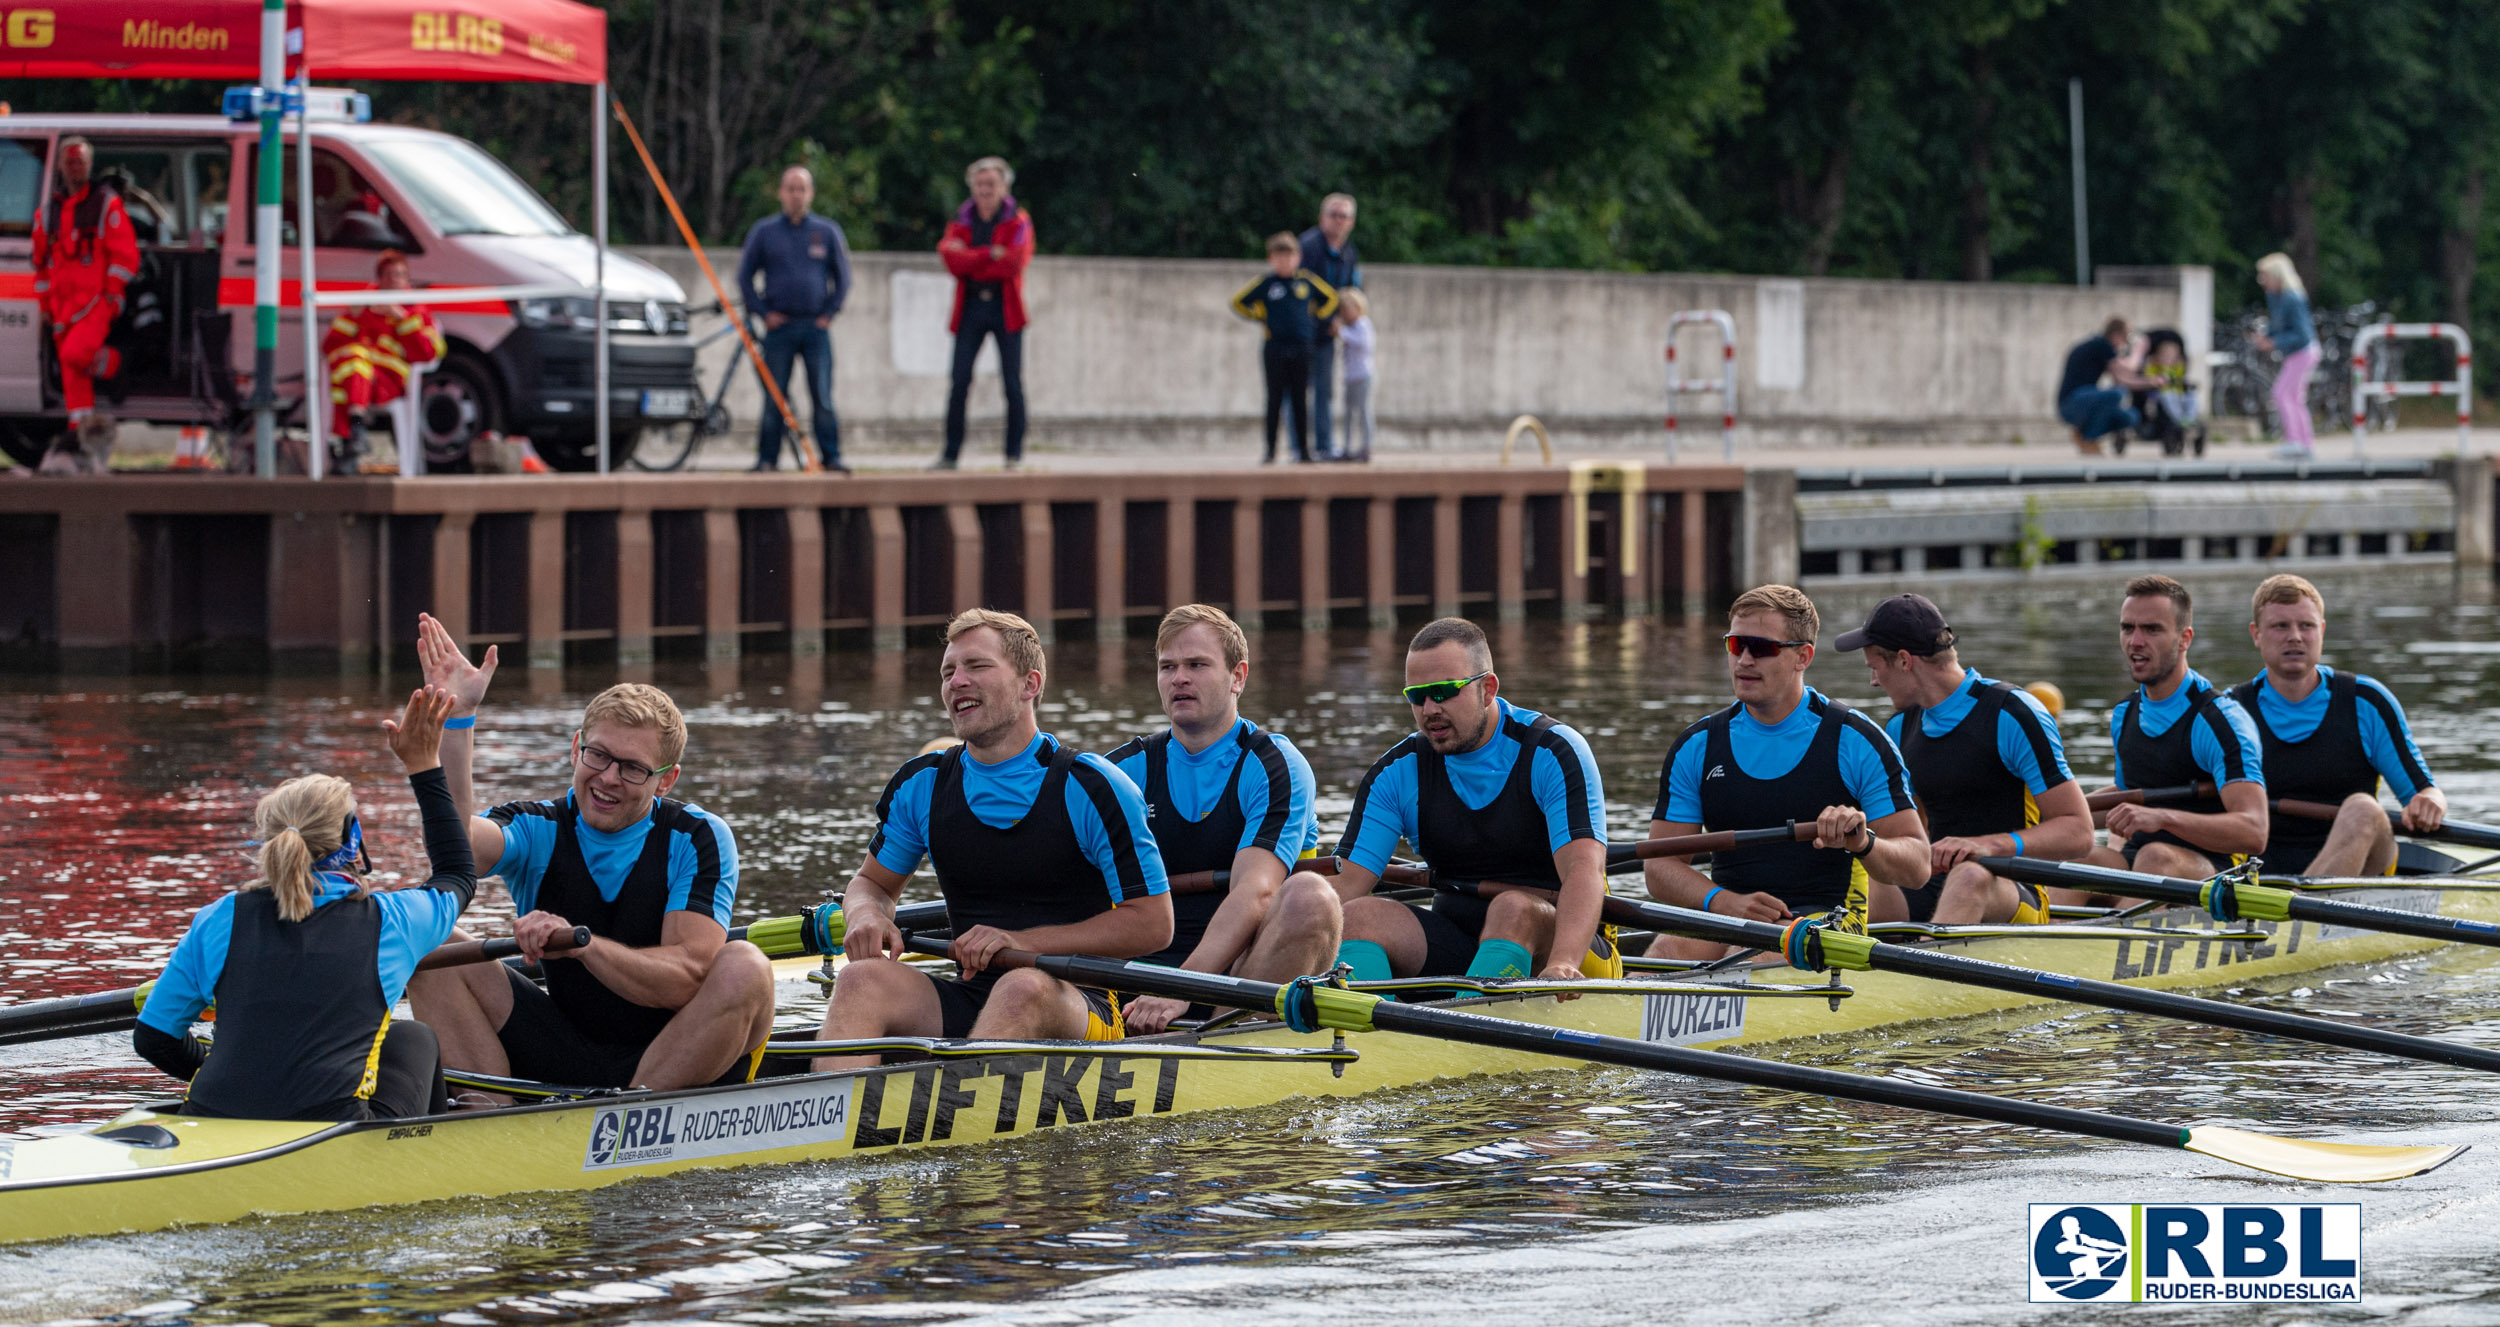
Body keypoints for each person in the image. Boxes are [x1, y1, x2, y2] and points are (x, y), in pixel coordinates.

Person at [406, 616, 775, 1101]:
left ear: (666, 780)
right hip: (566, 1050)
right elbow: (456, 849)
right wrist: (458, 722)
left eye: (632, 768)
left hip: (675, 1065)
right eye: (598, 756)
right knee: (429, 940)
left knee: (746, 966)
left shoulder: (697, 837)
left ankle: (624, 1119)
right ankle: (484, 1114)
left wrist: (583, 946)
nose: (608, 778)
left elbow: (687, 979)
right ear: (576, 749)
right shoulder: (539, 826)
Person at [813, 610, 1171, 1069]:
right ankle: (828, 1125)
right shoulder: (922, 785)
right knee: (860, 980)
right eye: (948, 672)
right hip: (973, 994)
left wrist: (1019, 940)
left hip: (1079, 1004)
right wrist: (865, 914)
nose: (956, 681)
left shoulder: (1092, 786)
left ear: (1030, 684)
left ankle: (952, 1121)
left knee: (1022, 984)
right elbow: (873, 884)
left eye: (977, 667)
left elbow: (1154, 924)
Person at [134, 686, 474, 1121]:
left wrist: (222, 1070)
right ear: (353, 841)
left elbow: (153, 1038)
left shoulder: (219, 918)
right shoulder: (393, 921)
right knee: (414, 1038)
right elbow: (458, 875)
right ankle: (431, 1154)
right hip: (332, 1127)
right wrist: (423, 765)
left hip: (215, 1113)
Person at [1319, 617, 1611, 984]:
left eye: (1443, 692)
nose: (1429, 710)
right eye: (1417, 696)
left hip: (1569, 951)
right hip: (1459, 942)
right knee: (1357, 915)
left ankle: (1464, 1022)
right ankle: (1379, 1031)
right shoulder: (1396, 773)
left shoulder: (1552, 752)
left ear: (1487, 689)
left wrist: (1564, 960)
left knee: (1512, 907)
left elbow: (1584, 871)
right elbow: (1345, 887)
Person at [1646, 585, 1928, 959]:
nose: (1744, 660)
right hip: (1733, 914)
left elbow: (1918, 866)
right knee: (1666, 952)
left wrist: (1864, 842)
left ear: (1802, 657)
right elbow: (1658, 866)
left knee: (1755, 951)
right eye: (1735, 645)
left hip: (1833, 921)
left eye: (1760, 648)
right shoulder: (1696, 746)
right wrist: (1722, 901)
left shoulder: (1856, 741)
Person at [1105, 605, 1339, 1034]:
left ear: (1238, 677)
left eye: (1196, 664)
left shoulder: (1274, 765)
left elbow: (1257, 893)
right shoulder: (1122, 771)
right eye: (1167, 667)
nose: (1179, 678)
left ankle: (1230, 1038)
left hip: (1242, 977)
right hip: (1136, 980)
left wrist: (1180, 986)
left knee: (1311, 896)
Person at [1843, 594, 2090, 926]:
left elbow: (2079, 831)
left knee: (1969, 876)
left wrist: (1987, 846)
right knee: (1852, 873)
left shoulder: (2012, 713)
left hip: (2012, 886)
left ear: (1904, 661)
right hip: (1932, 882)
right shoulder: (1900, 728)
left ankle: (1924, 968)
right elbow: (1912, 831)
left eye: (1875, 667)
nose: (1874, 681)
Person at [2230, 574, 2443, 876]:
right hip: (2258, 871)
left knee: (2364, 809)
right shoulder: (2231, 712)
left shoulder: (2366, 702)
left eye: (2306, 625)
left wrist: (2429, 804)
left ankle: (2300, 907)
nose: (2295, 636)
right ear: (2256, 634)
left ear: (2322, 631)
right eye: (2280, 626)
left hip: (2364, 869)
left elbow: (2425, 792)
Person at [2078, 575, 2268, 891]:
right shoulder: (2125, 714)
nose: (2135, 641)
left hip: (2221, 871)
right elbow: (2122, 805)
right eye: (2128, 628)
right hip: (2137, 859)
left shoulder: (2220, 721)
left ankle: (2112, 936)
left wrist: (2163, 818)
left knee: (2156, 857)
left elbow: (2254, 831)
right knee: (2079, 859)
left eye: (2152, 629)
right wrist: (2049, 815)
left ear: (2184, 638)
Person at [735, 165, 853, 473]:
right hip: (779, 328)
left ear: (810, 193)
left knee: (823, 397)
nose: (796, 194)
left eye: (802, 188)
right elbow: (744, 277)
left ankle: (832, 456)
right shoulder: (765, 232)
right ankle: (767, 459)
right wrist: (763, 313)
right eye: (790, 188)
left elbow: (843, 279)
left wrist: (828, 314)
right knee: (774, 397)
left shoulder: (826, 232)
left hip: (815, 327)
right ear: (781, 193)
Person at [31, 137, 135, 446]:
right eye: (70, 161)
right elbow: (41, 264)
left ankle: (118, 364)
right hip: (63, 307)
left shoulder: (106, 204)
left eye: (80, 162)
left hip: (95, 301)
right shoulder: (48, 212)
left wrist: (114, 293)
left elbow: (125, 254)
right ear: (61, 166)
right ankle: (80, 432)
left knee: (74, 354)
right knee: (72, 375)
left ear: (89, 166)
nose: (75, 167)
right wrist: (45, 305)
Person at [935, 157, 1034, 472]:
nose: (985, 190)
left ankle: (1013, 454)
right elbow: (951, 259)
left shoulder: (1018, 220)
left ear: (1003, 187)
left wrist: (972, 258)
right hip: (971, 306)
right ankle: (950, 454)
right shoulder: (962, 219)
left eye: (991, 184)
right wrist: (989, 253)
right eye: (979, 184)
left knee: (1012, 383)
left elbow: (1014, 262)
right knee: (959, 381)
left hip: (1005, 308)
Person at [321, 249, 444, 464]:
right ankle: (353, 437)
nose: (393, 280)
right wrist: (353, 316)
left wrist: (403, 319)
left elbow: (427, 354)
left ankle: (346, 442)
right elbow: (329, 346)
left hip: (389, 382)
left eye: (398, 275)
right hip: (359, 381)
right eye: (387, 274)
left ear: (407, 279)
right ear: (379, 278)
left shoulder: (416, 310)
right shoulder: (364, 305)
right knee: (352, 368)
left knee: (351, 371)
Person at [1230, 234, 1341, 465]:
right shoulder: (1267, 284)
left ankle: (1303, 450)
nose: (1285, 262)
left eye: (1289, 257)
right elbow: (1238, 302)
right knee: (1275, 400)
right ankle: (1270, 450)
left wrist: (1315, 318)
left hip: (1302, 348)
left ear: (1297, 258)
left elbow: (1331, 298)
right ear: (1271, 259)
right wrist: (1260, 315)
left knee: (1301, 400)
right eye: (1279, 257)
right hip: (1275, 348)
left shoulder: (1306, 281)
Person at [1298, 194, 1361, 460]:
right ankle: (1298, 447)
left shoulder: (1349, 253)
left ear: (1351, 222)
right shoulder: (1308, 246)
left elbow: (1353, 291)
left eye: (1344, 216)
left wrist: (1344, 322)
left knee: (1324, 391)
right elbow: (1301, 289)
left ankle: (1323, 445)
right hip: (1303, 330)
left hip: (1328, 332)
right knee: (1298, 391)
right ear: (1322, 217)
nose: (1339, 220)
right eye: (1334, 214)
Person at [2251, 253, 2318, 460]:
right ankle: (2305, 442)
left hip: (2303, 352)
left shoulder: (2293, 298)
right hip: (2298, 353)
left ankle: (2294, 441)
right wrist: (2267, 337)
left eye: (2265, 276)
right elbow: (2278, 325)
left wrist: (2274, 342)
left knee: (2281, 394)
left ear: (2277, 276)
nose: (2262, 281)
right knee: (2295, 398)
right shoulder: (2277, 297)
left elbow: (2301, 334)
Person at [2057, 317, 2157, 456]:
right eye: (2126, 338)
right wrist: (2139, 349)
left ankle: (2082, 433)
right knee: (2116, 394)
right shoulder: (2100, 344)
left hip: (2084, 401)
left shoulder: (2104, 351)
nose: (2126, 343)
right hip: (2071, 403)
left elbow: (2124, 380)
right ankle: (2089, 438)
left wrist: (2150, 382)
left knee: (2131, 416)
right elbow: (2130, 368)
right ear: (2116, 335)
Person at [1336, 288, 1376, 462]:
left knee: (1363, 412)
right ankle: (1347, 447)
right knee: (1349, 414)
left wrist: (1341, 333)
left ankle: (1366, 447)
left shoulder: (1362, 324)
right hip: (1351, 377)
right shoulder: (1350, 327)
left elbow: (1364, 344)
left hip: (1362, 376)